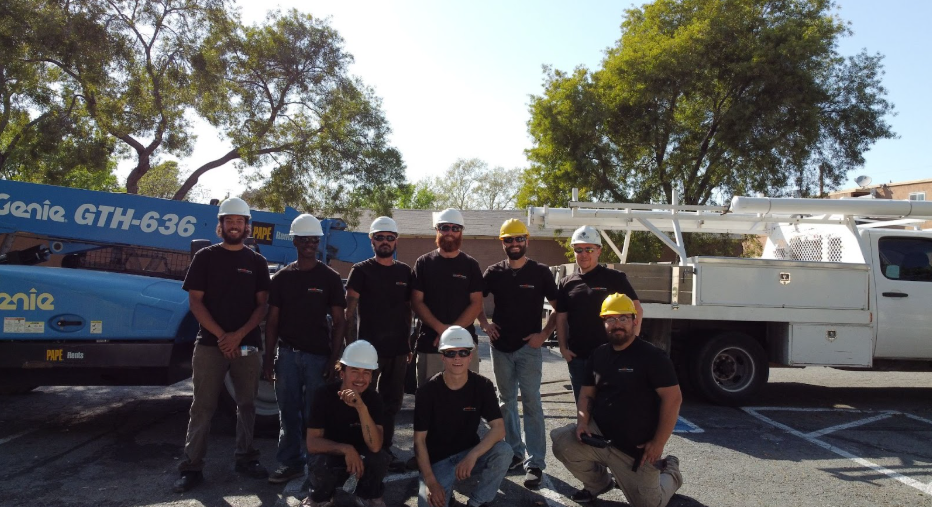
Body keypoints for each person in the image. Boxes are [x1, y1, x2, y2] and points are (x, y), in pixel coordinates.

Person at [174, 197, 270, 493]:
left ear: (247, 226)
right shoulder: (205, 257)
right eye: (229, 220)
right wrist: (222, 336)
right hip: (209, 345)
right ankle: (191, 467)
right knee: (202, 406)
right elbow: (195, 302)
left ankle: (245, 456)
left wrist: (238, 335)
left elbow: (262, 307)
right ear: (221, 225)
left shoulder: (256, 262)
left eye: (240, 221)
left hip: (246, 345)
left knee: (247, 404)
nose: (234, 225)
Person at [551, 293, 683, 507]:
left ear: (634, 321)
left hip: (634, 450)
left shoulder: (652, 357)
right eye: (611, 319)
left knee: (650, 504)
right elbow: (586, 393)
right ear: (604, 323)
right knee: (563, 442)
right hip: (600, 437)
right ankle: (599, 484)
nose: (617, 324)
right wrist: (583, 423)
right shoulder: (599, 355)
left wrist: (658, 443)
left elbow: (673, 399)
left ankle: (671, 471)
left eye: (623, 318)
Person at [264, 214, 348, 484]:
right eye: (305, 239)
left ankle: (317, 466)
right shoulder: (281, 278)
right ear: (296, 241)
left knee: (316, 416)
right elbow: (272, 321)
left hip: (318, 358)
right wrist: (268, 359)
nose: (310, 244)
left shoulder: (330, 278)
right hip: (287, 356)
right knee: (288, 414)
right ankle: (290, 463)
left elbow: (339, 322)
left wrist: (334, 360)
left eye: (314, 239)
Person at [477, 219, 558, 489]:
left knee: (532, 402)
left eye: (518, 239)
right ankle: (514, 452)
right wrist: (484, 324)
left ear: (527, 240)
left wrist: (544, 335)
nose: (514, 244)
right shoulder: (494, 272)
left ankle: (535, 463)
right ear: (502, 243)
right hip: (500, 348)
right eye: (508, 240)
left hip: (528, 348)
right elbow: (475, 298)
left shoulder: (540, 272)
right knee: (506, 401)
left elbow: (560, 307)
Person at [413, 326, 511, 507]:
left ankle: (476, 503)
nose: (457, 357)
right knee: (428, 503)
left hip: (468, 454)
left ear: (470, 356)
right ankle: (444, 490)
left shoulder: (483, 386)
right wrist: (431, 482)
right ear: (442, 356)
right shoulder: (427, 391)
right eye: (450, 353)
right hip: (438, 462)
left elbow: (499, 429)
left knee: (504, 451)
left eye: (463, 352)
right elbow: (419, 441)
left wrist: (472, 456)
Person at [345, 216, 413, 471]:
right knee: (362, 401)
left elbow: (408, 309)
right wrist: (350, 350)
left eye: (390, 237)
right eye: (380, 237)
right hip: (367, 354)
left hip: (397, 350)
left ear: (396, 240)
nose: (385, 241)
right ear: (371, 240)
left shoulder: (405, 272)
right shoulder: (361, 270)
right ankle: (359, 448)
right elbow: (348, 312)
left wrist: (407, 343)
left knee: (392, 403)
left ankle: (384, 449)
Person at [555, 225, 644, 401]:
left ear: (599, 251)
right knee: (583, 407)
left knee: (611, 406)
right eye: (578, 249)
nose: (583, 254)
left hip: (610, 356)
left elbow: (637, 310)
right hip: (578, 358)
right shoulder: (567, 283)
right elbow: (561, 318)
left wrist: (630, 344)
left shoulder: (615, 278)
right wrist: (563, 348)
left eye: (589, 249)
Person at [304, 340, 389, 507]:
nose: (360, 378)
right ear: (342, 372)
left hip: (362, 460)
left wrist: (361, 408)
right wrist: (346, 449)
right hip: (332, 457)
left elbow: (376, 446)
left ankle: (368, 495)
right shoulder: (324, 395)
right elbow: (312, 443)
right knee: (320, 462)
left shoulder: (374, 399)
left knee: (381, 458)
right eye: (354, 371)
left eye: (366, 372)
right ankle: (321, 497)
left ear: (372, 376)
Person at [411, 208, 483, 388]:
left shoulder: (471, 265)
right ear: (437, 230)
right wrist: (440, 329)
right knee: (429, 397)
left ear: (461, 232)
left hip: (464, 345)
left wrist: (451, 332)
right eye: (444, 227)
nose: (449, 232)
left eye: (455, 228)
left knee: (466, 398)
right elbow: (416, 301)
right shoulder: (423, 263)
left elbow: (476, 303)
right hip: (430, 343)